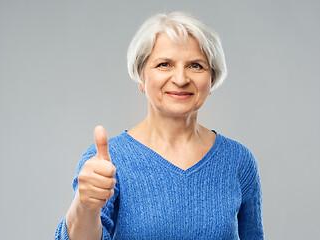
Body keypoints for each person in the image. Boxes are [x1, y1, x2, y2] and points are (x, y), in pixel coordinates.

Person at [55, 11, 264, 240]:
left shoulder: (239, 161)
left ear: (212, 79)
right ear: (141, 77)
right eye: (164, 64)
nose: (181, 79)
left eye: (196, 66)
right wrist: (84, 206)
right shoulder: (105, 162)